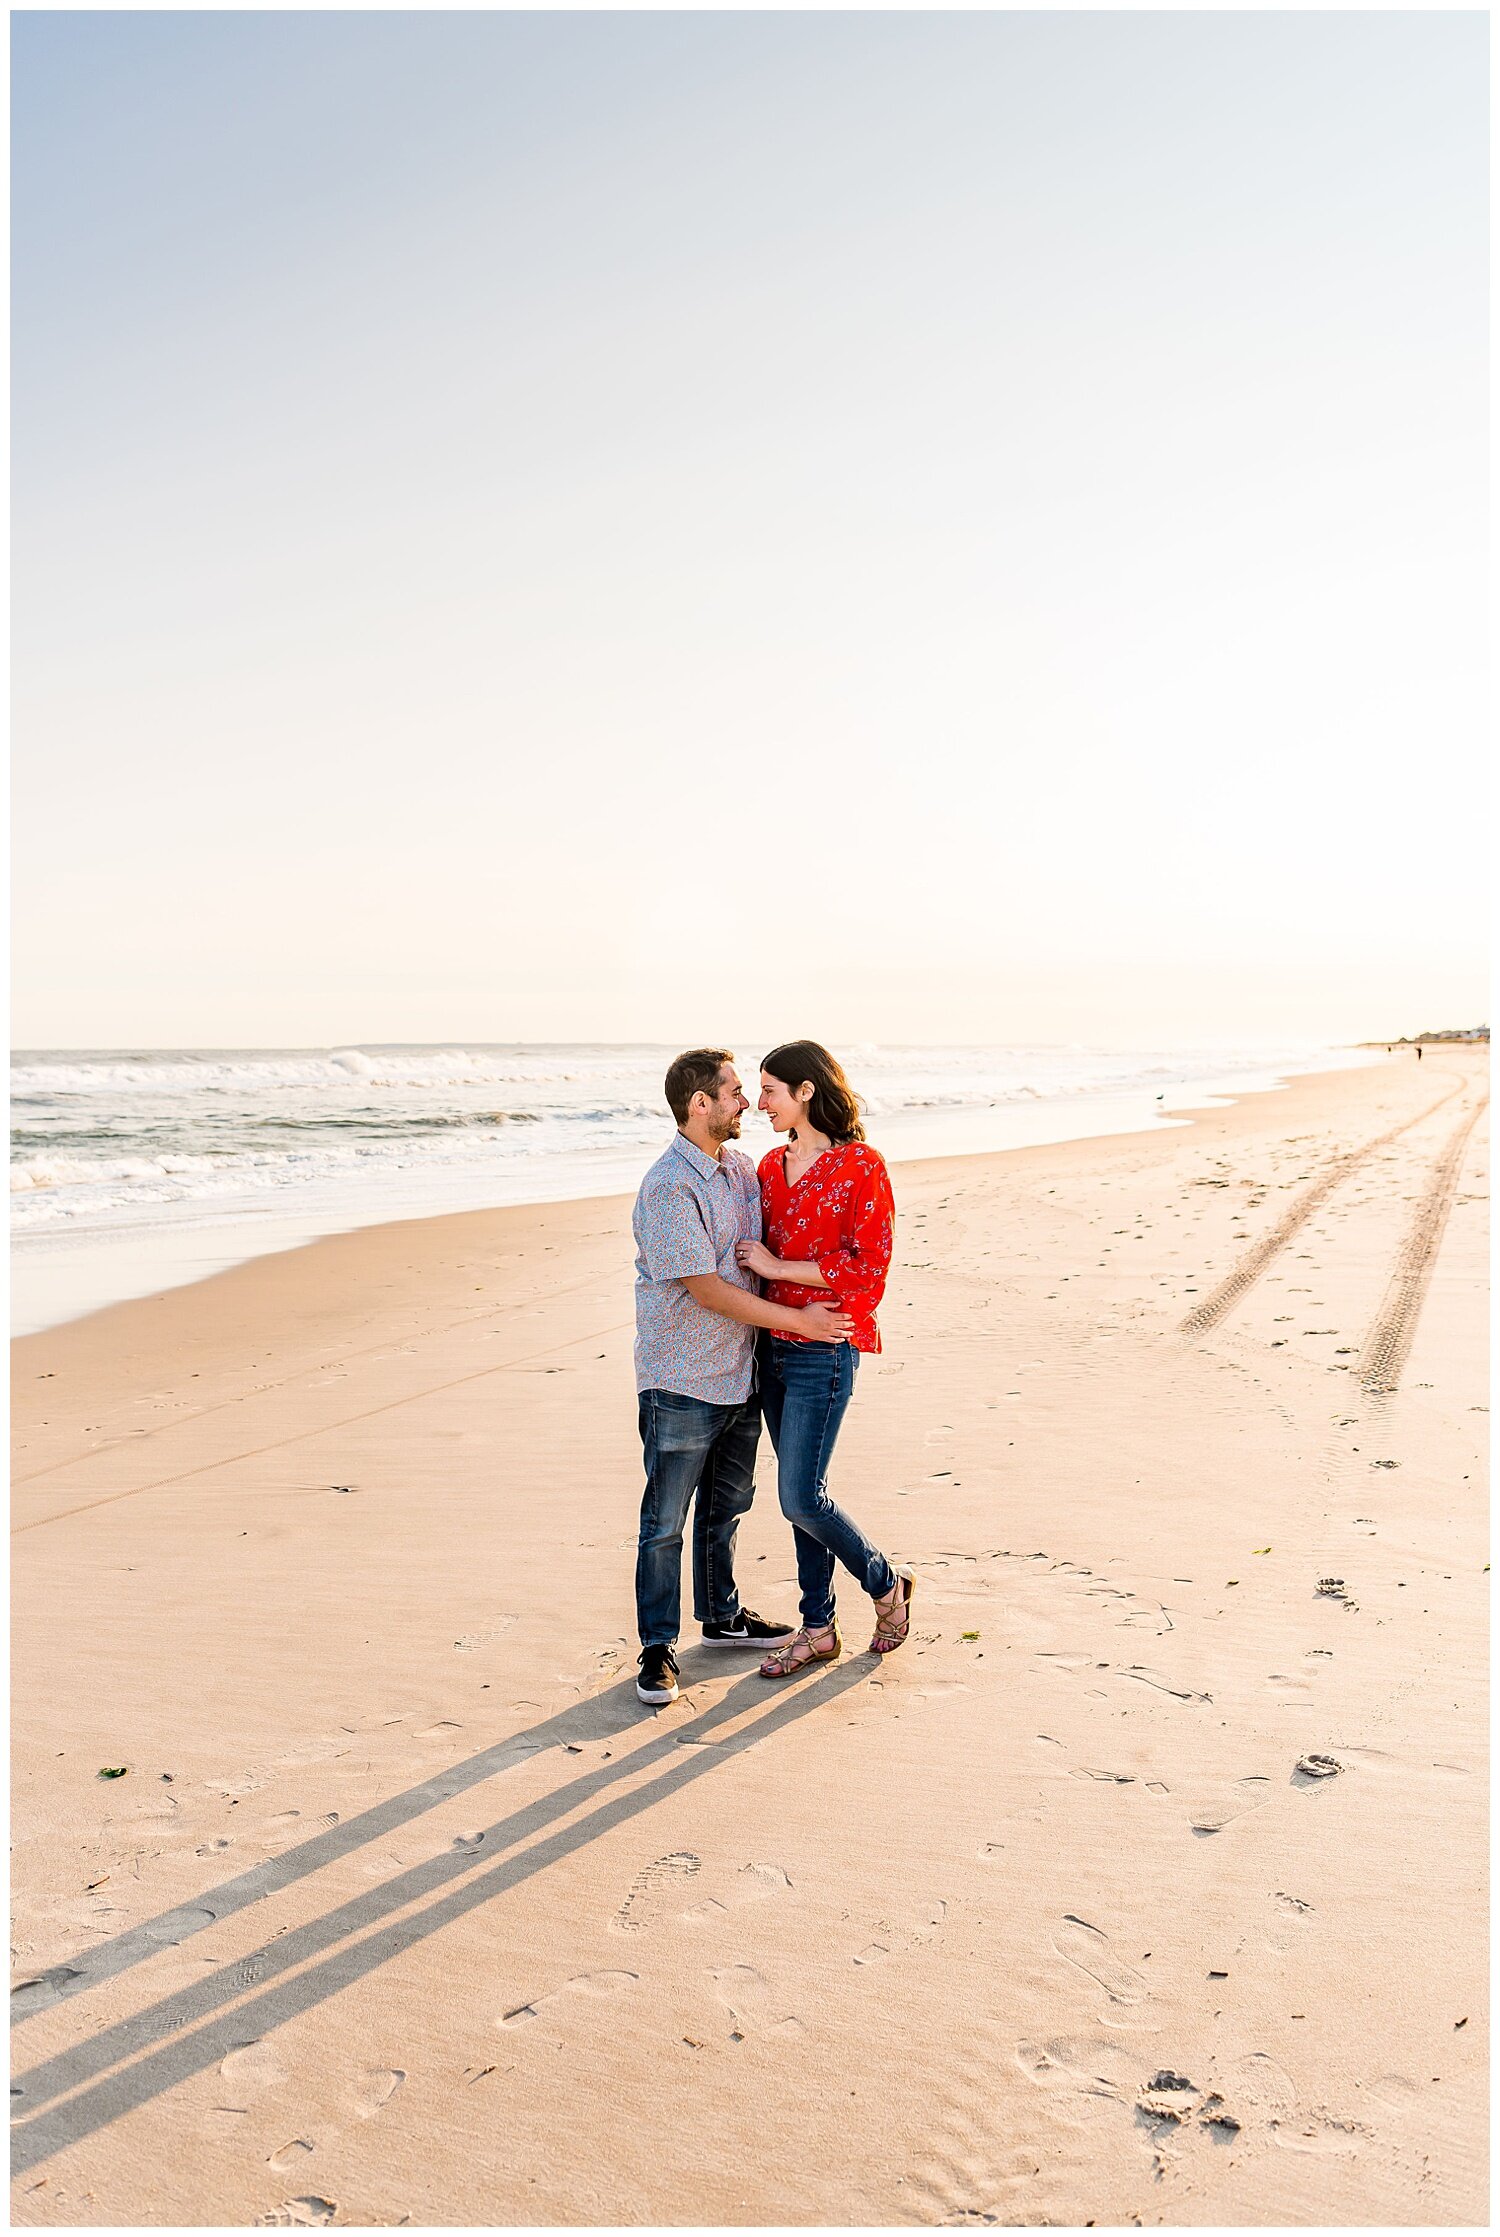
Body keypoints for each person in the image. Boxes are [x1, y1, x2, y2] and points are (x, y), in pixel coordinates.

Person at [633, 1048, 855, 1706]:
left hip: (741, 1371)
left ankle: (723, 1617)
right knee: (665, 1519)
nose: (744, 1102)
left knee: (727, 1507)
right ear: (699, 1104)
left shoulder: (737, 1170)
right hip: (682, 1377)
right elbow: (706, 1288)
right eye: (732, 1090)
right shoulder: (669, 1184)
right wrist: (808, 1324)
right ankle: (657, 1646)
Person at [733, 1040, 914, 1678]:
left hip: (825, 1352)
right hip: (771, 1349)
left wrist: (780, 1267)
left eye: (771, 1091)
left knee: (801, 1497)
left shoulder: (862, 1165)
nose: (761, 1104)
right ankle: (818, 1628)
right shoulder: (766, 1167)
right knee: (798, 1495)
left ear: (806, 1090)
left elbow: (869, 1273)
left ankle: (886, 1585)